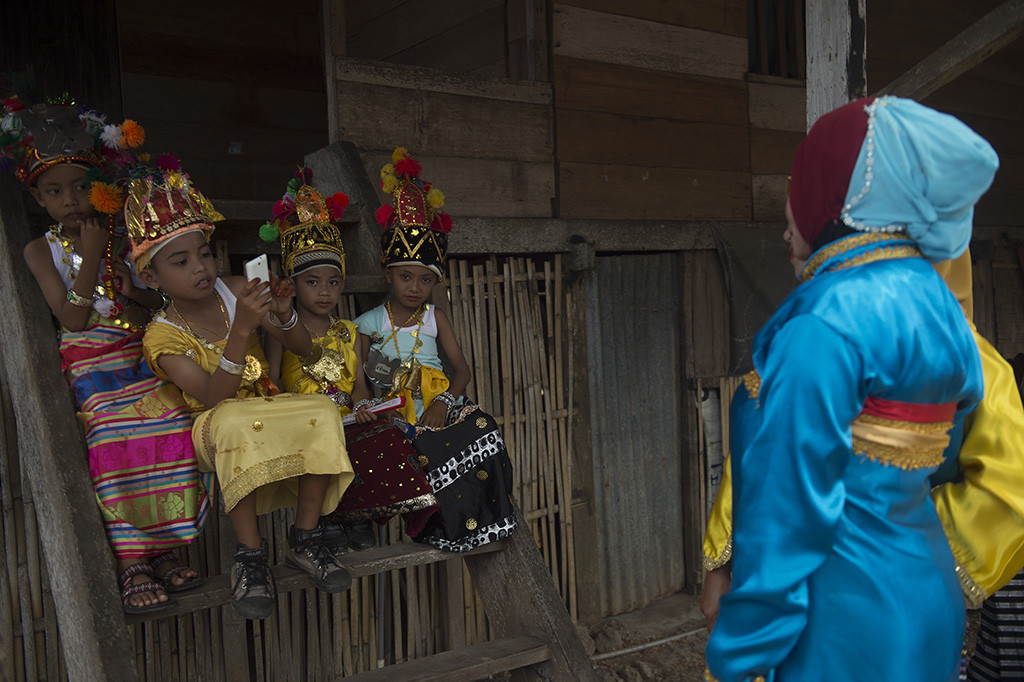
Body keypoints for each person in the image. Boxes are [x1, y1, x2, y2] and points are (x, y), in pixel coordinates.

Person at [703, 97, 1000, 682]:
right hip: (925, 600)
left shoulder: (824, 321)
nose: (787, 221)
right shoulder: (934, 305)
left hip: (842, 618)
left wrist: (738, 655)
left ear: (833, 194)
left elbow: (788, 515)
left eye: (799, 187)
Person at [4, 93, 212, 614]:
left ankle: (167, 547)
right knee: (112, 431)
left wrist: (130, 282)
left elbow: (152, 301)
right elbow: (72, 318)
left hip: (138, 350)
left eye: (80, 186)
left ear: (100, 188)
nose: (70, 199)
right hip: (89, 361)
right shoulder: (40, 249)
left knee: (174, 417)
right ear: (38, 199)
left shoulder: (127, 236)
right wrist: (92, 254)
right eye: (55, 191)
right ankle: (133, 557)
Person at [129, 170, 355, 619]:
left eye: (204, 254)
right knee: (233, 420)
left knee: (323, 410)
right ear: (152, 277)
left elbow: (303, 350)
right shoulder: (161, 335)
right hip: (215, 423)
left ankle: (305, 538)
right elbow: (214, 396)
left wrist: (286, 315)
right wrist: (242, 329)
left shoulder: (234, 290)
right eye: (181, 262)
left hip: (266, 404)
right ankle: (250, 556)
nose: (200, 268)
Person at [263, 169, 437, 551]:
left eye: (333, 282)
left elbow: (358, 388)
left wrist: (364, 408)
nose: (324, 292)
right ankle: (326, 521)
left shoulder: (350, 332)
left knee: (388, 434)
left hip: (344, 418)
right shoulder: (279, 330)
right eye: (312, 282)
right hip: (304, 422)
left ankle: (360, 515)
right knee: (326, 443)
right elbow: (270, 383)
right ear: (292, 285)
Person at [354, 148, 517, 552]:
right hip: (394, 411)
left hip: (438, 404)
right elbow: (357, 375)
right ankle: (437, 527)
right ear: (387, 274)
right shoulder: (369, 323)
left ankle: (483, 522)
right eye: (405, 276)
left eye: (425, 280)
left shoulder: (434, 317)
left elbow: (461, 370)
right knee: (411, 448)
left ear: (435, 283)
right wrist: (363, 407)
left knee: (484, 428)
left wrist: (444, 401)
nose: (414, 287)